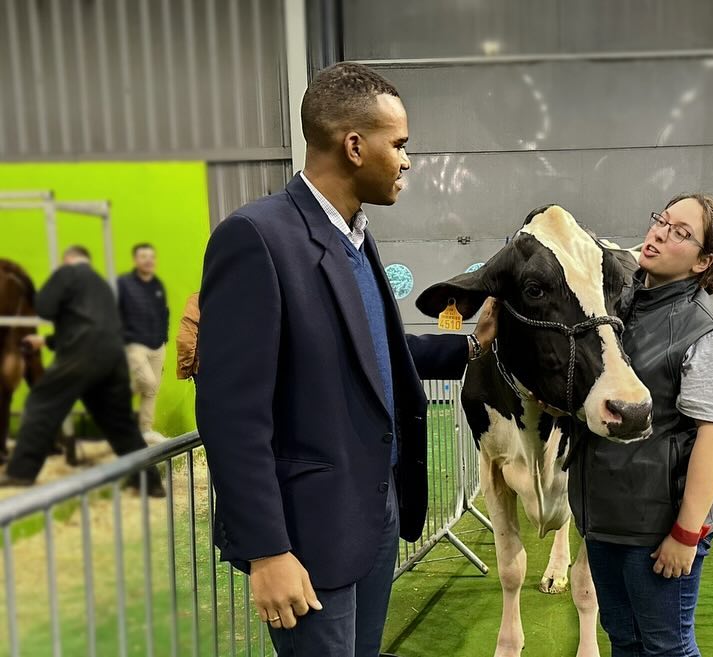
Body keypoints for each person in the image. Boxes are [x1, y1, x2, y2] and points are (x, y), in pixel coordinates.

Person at [196, 62, 496, 657]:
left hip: (375, 512)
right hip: (307, 534)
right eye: (400, 144)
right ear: (354, 146)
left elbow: (368, 353)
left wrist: (470, 345)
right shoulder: (256, 238)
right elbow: (232, 414)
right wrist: (268, 551)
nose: (407, 161)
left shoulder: (355, 235)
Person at [568, 194, 713, 657]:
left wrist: (687, 534)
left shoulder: (710, 334)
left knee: (666, 647)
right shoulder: (616, 312)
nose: (660, 234)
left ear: (703, 261)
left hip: (659, 529)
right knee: (624, 640)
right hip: (606, 520)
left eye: (681, 233)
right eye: (662, 221)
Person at [0, 245, 165, 496]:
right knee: (120, 424)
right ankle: (150, 482)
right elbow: (86, 327)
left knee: (40, 405)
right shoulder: (101, 286)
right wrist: (45, 342)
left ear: (68, 260)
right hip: (112, 359)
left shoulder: (67, 274)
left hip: (80, 357)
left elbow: (43, 307)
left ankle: (21, 474)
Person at [117, 243, 169, 437]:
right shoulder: (124, 284)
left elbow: (164, 313)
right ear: (135, 260)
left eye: (151, 257)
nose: (148, 260)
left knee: (151, 391)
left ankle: (145, 431)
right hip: (135, 344)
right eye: (143, 256)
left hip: (157, 344)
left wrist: (164, 338)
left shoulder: (157, 285)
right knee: (148, 382)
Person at [175, 292, 199, 382]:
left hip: (207, 370)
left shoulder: (198, 300)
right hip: (241, 370)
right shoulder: (244, 299)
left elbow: (185, 341)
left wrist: (186, 370)